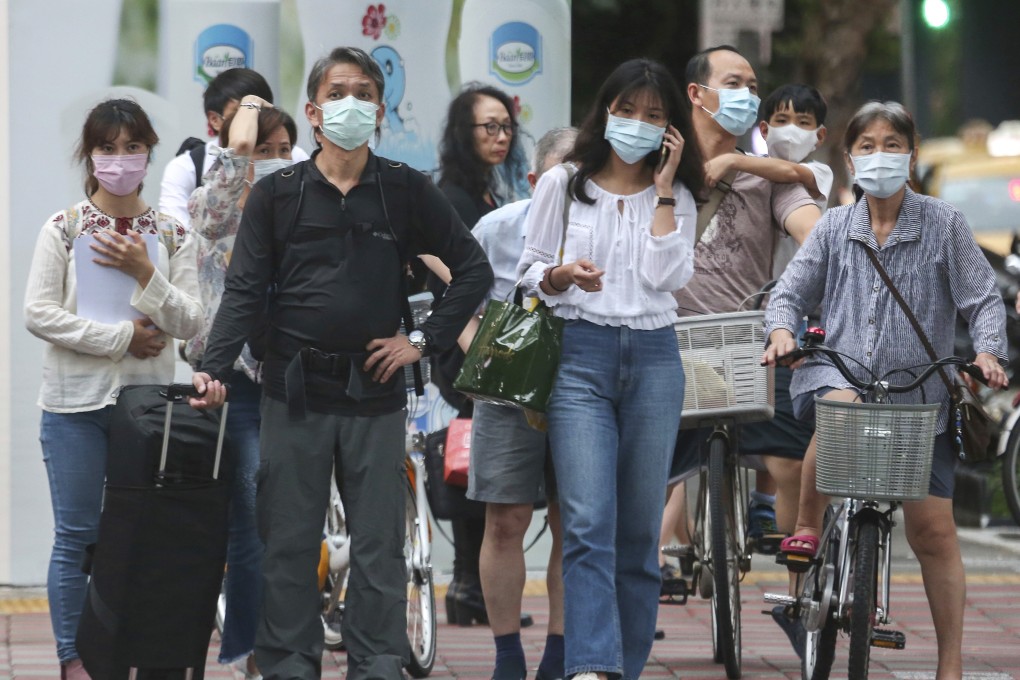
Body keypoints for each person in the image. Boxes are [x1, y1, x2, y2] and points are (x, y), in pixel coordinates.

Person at [188, 46, 492, 680]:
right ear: (313, 110)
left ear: (379, 112)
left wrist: (424, 341)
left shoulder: (406, 189)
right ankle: (289, 666)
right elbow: (243, 292)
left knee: (380, 549)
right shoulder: (277, 194)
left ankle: (377, 663)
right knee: (289, 546)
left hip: (376, 395)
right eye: (338, 92)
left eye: (363, 93)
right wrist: (213, 368)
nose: (350, 103)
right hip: (291, 391)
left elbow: (472, 270)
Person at [763, 100, 1008, 677]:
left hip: (921, 392)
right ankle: (806, 525)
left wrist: (989, 352)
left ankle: (950, 663)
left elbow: (981, 299)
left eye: (892, 145)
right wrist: (780, 332)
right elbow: (790, 294)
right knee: (842, 409)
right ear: (849, 159)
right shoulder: (834, 227)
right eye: (867, 146)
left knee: (933, 532)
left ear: (913, 154)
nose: (880, 157)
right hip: (840, 373)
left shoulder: (943, 223)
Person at [517, 57, 704, 680]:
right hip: (580, 356)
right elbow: (528, 272)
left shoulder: (676, 196)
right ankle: (590, 667)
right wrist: (560, 275)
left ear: (672, 129)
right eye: (627, 110)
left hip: (654, 360)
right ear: (605, 112)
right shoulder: (563, 183)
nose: (637, 124)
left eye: (654, 116)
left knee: (638, 534)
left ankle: (624, 665)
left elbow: (666, 277)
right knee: (588, 522)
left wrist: (668, 189)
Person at [24, 98, 203, 680]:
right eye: (107, 147)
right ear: (90, 154)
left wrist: (145, 275)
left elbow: (192, 322)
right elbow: (38, 314)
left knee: (144, 535)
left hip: (146, 409)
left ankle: (138, 656)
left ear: (149, 152)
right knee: (78, 533)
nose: (120, 159)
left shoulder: (173, 234)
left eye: (132, 147)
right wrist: (120, 337)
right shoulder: (65, 227)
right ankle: (74, 660)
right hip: (73, 404)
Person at [664, 46, 823, 628]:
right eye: (734, 82)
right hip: (664, 344)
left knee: (791, 459)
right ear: (696, 93)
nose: (748, 94)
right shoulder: (656, 168)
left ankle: (799, 600)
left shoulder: (769, 178)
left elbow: (812, 232)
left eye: (753, 85)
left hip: (750, 345)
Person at [456, 127, 577, 680]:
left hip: (584, 390)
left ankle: (558, 653)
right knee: (504, 521)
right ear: (534, 180)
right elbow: (459, 303)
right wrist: (486, 361)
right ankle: (507, 656)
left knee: (573, 525)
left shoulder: (615, 229)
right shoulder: (496, 229)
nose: (576, 187)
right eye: (562, 176)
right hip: (507, 394)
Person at [184, 94, 298, 679]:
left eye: (286, 151)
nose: (273, 160)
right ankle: (255, 656)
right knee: (252, 518)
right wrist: (247, 118)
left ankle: (289, 645)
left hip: (300, 380)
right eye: (262, 150)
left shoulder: (305, 205)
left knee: (293, 523)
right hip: (236, 385)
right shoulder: (214, 205)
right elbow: (234, 167)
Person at [424, 82, 529, 629]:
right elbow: (445, 273)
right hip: (464, 342)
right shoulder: (451, 195)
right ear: (462, 134)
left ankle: (472, 588)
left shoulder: (492, 192)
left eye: (506, 126)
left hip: (492, 339)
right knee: (473, 460)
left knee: (478, 463)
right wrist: (476, 350)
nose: (500, 136)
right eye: (488, 126)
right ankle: (467, 584)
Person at [158, 67, 309, 229]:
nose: (253, 121)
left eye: (261, 110)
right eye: (243, 113)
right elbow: (174, 232)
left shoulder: (295, 158)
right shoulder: (188, 166)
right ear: (215, 119)